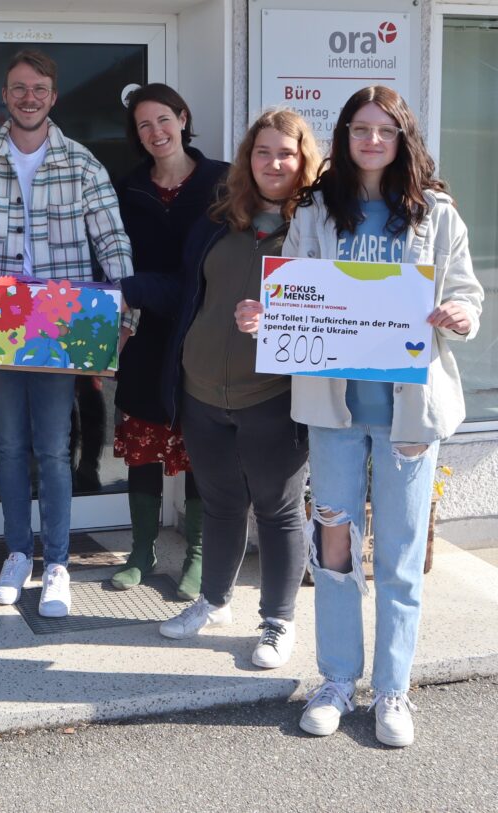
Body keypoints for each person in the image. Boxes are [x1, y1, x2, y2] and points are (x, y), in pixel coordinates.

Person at [237, 86, 483, 746]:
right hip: (334, 411)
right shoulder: (317, 210)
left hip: (409, 415)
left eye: (385, 129)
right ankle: (339, 678)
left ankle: (393, 689)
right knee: (335, 549)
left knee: (401, 559)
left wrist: (460, 315)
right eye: (360, 129)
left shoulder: (436, 213)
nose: (372, 140)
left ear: (403, 138)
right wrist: (265, 315)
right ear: (344, 137)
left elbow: (465, 294)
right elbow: (297, 296)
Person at [124, 108, 320, 669]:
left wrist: (278, 319)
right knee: (220, 503)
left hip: (273, 395)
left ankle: (278, 622)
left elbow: (333, 313)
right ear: (247, 158)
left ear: (303, 158)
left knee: (279, 510)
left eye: (285, 152)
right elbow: (187, 290)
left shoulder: (315, 228)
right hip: (202, 390)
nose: (274, 162)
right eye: (263, 152)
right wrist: (125, 291)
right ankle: (213, 601)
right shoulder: (220, 217)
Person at [0, 49, 134, 618]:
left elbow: (113, 241)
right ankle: (16, 555)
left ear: (53, 96)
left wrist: (123, 317)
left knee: (53, 448)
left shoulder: (82, 162)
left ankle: (56, 564)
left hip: (60, 322)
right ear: (5, 95)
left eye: (40, 89)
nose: (29, 97)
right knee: (12, 444)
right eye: (19, 88)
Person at [112, 83, 228, 599]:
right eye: (143, 125)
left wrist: (139, 288)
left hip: (204, 330)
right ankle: (141, 550)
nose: (155, 132)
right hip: (145, 332)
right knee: (143, 442)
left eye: (163, 119)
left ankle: (199, 557)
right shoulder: (128, 187)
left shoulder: (224, 182)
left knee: (200, 442)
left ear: (183, 118)